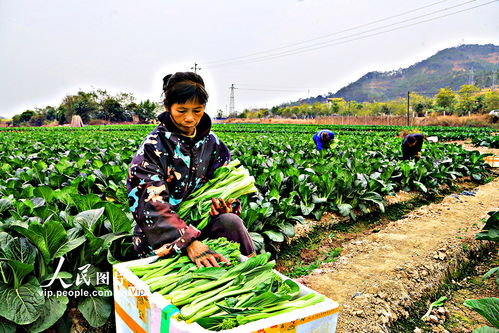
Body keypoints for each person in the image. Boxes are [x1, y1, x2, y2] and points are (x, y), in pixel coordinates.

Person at [126, 72, 254, 268]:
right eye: (181, 110)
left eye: (197, 110)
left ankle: (255, 271)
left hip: (201, 224)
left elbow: (222, 184)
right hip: (161, 233)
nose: (189, 118)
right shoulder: (153, 147)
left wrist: (225, 206)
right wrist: (188, 241)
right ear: (167, 106)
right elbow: (149, 204)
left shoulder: (213, 144)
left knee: (231, 222)